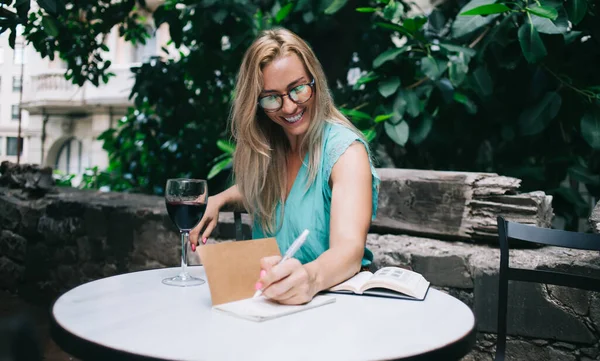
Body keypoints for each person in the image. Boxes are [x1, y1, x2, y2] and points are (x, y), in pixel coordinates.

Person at [190, 27, 380, 305]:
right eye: (271, 97)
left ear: (315, 81)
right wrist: (220, 199)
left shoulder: (346, 152)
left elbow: (349, 250)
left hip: (335, 309)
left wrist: (310, 278)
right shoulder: (271, 148)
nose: (289, 107)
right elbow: (270, 193)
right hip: (271, 308)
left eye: (298, 89)